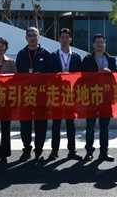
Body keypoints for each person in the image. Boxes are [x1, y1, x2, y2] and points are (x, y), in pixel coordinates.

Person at [15, 27, 53, 162]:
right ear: (26, 38)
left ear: (39, 37)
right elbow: (17, 74)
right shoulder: (21, 54)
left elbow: (51, 73)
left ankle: (39, 151)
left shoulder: (45, 53)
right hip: (26, 95)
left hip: (41, 95)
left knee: (41, 124)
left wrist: (41, 76)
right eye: (29, 35)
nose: (32, 38)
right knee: (25, 124)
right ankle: (26, 149)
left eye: (34, 35)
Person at [80, 33, 117, 162]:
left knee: (105, 127)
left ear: (105, 44)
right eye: (97, 42)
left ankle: (104, 152)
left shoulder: (111, 59)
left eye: (102, 42)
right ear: (93, 45)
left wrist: (110, 72)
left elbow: (116, 75)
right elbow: (82, 77)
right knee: (90, 127)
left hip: (106, 98)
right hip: (92, 97)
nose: (100, 44)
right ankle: (89, 152)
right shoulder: (87, 59)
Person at [49, 28, 83, 161]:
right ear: (59, 39)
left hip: (71, 94)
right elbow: (48, 74)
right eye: (62, 37)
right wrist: (55, 76)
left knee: (71, 124)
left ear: (70, 39)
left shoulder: (76, 56)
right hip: (57, 93)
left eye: (66, 37)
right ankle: (54, 151)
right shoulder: (53, 56)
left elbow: (80, 75)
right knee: (56, 124)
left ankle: (72, 151)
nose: (64, 39)